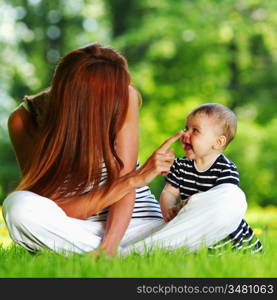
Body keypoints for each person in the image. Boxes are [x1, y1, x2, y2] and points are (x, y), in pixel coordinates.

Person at [2, 43, 247, 257]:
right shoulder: (24, 122)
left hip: (144, 226)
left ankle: (120, 253)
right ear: (77, 100)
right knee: (18, 206)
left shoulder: (124, 94)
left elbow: (127, 181)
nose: (124, 99)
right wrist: (133, 181)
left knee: (230, 198)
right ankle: (145, 254)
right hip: (76, 228)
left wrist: (110, 245)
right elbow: (59, 207)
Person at [160, 103, 262, 254]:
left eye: (195, 130)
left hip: (221, 228)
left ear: (218, 142)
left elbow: (223, 200)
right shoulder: (180, 165)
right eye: (186, 128)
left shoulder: (225, 168)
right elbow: (169, 192)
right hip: (192, 224)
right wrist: (168, 209)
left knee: (221, 256)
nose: (186, 134)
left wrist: (189, 204)